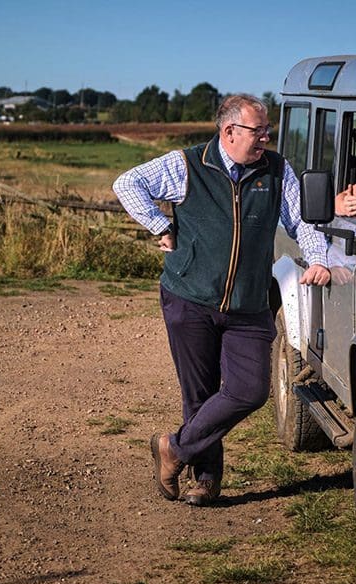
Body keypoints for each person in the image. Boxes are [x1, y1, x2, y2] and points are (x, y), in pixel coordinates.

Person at [113, 94, 330, 507]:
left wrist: (317, 258)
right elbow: (127, 183)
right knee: (199, 393)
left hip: (249, 306)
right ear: (229, 131)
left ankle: (172, 449)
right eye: (258, 131)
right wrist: (158, 222)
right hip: (189, 298)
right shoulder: (188, 164)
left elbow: (302, 219)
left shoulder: (277, 170)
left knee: (250, 390)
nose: (266, 137)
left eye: (268, 130)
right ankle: (206, 480)